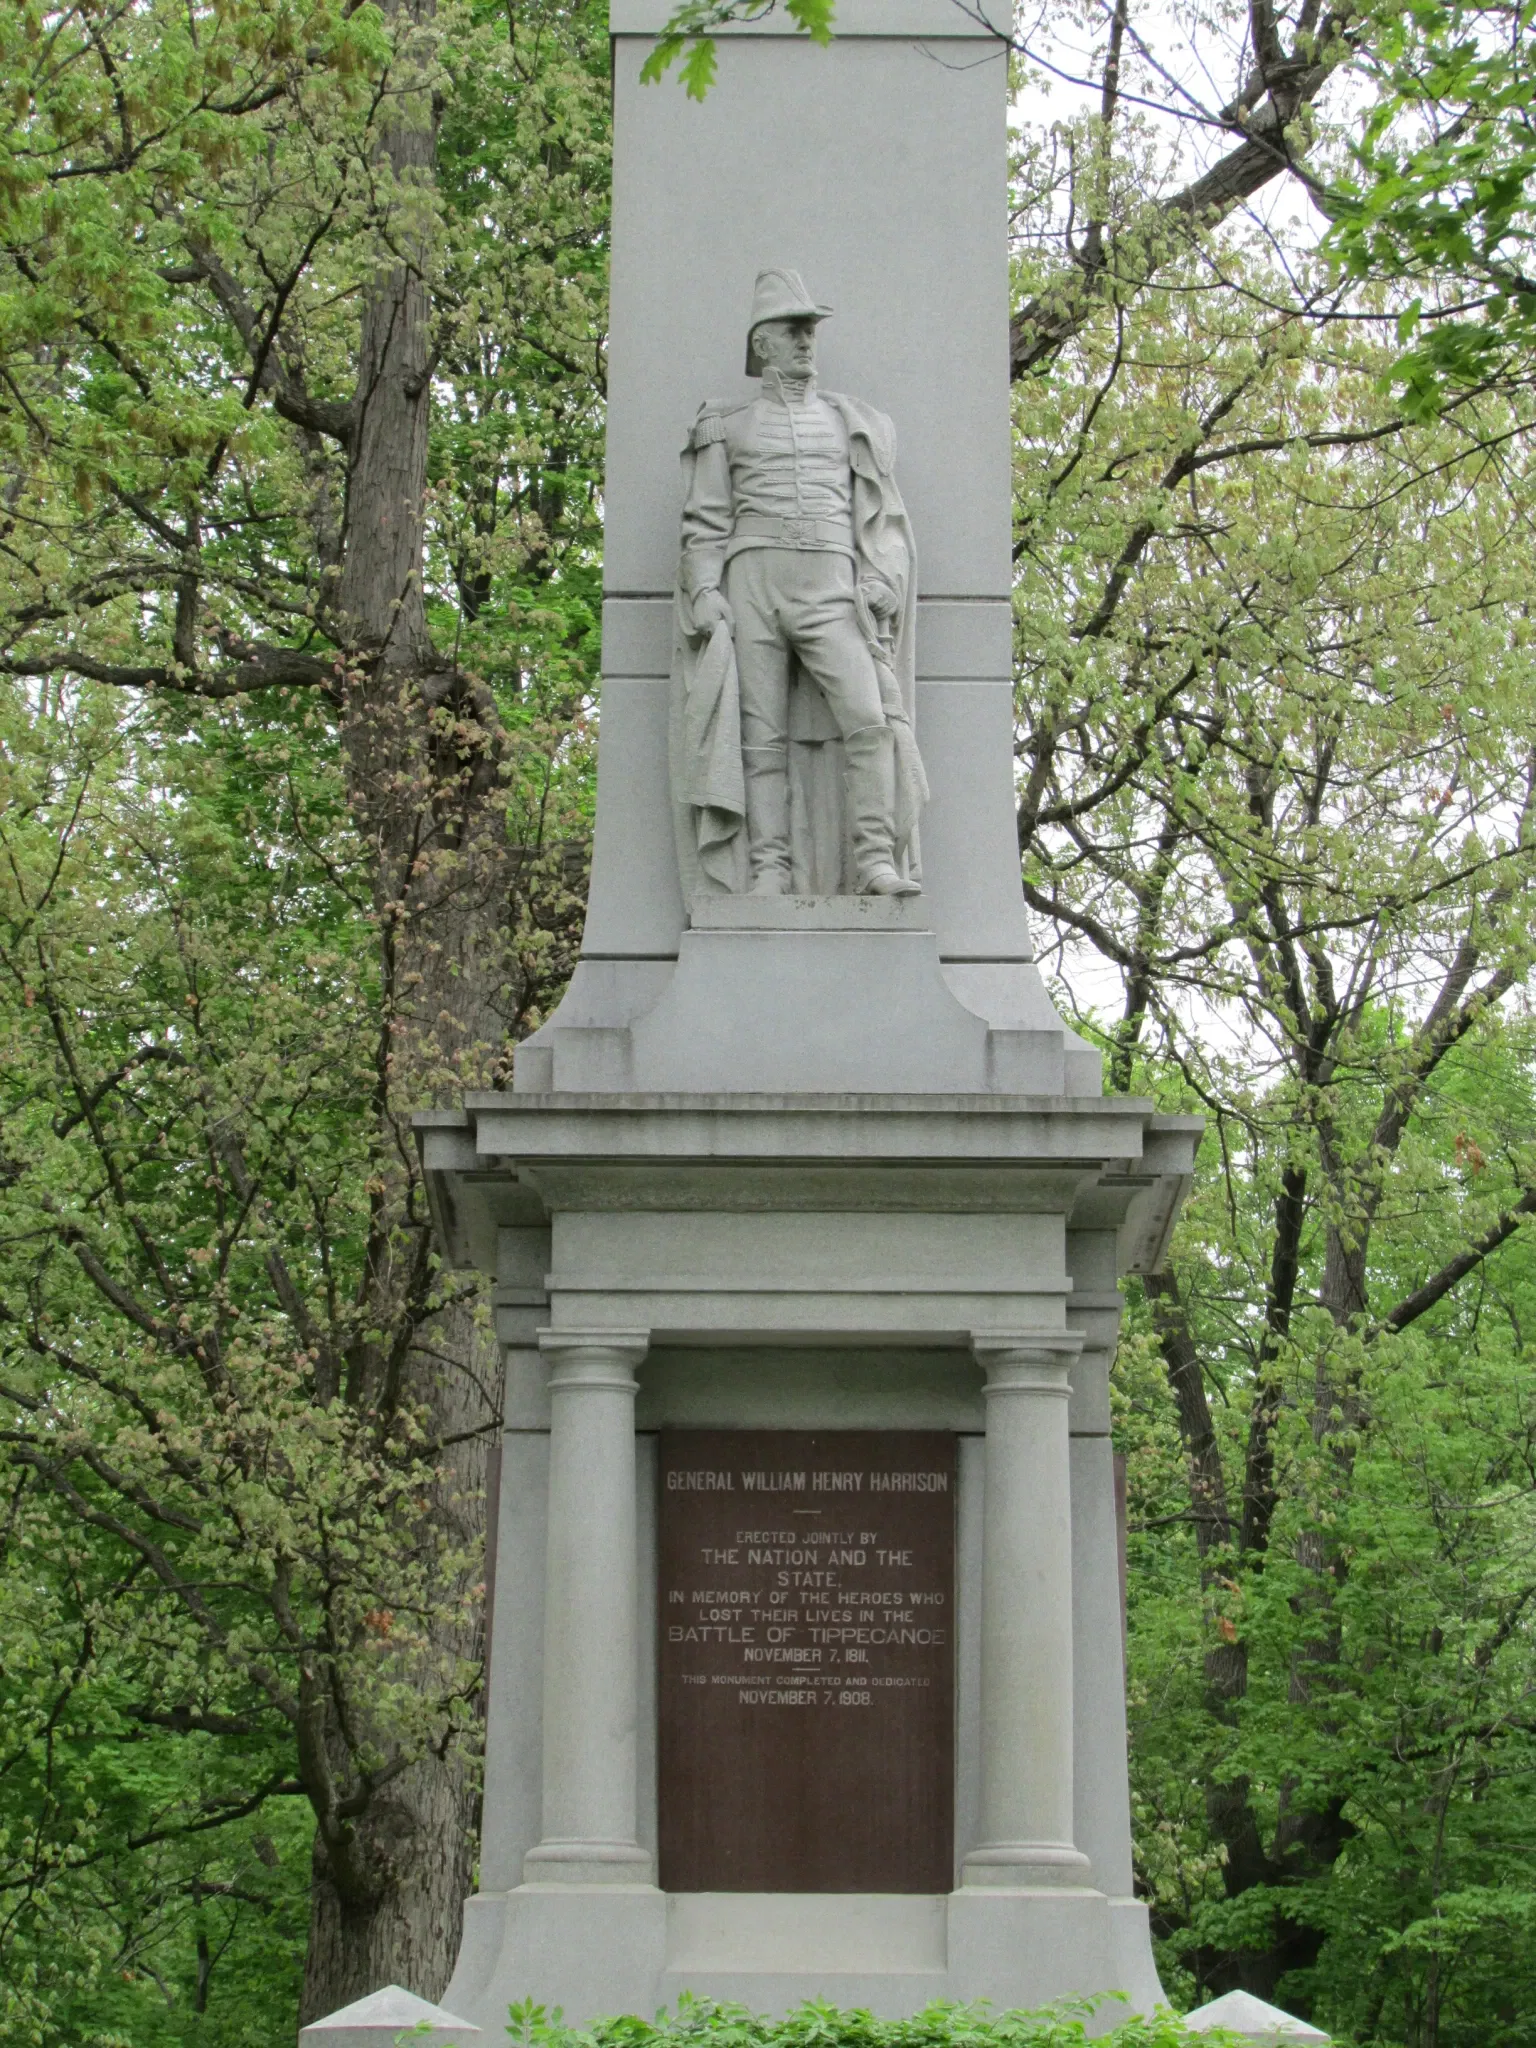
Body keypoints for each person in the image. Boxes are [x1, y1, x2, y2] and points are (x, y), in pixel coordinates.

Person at [670, 269, 926, 898]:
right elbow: (705, 520)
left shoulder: (850, 423)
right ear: (763, 344)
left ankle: (873, 862)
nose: (808, 341)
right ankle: (768, 870)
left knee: (868, 720)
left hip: (830, 584)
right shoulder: (725, 427)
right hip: (753, 580)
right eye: (794, 329)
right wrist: (705, 590)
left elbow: (879, 518)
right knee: (760, 739)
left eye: (811, 329)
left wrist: (882, 577)